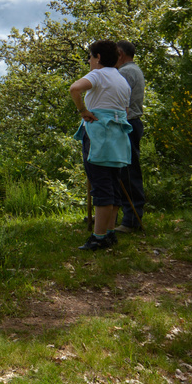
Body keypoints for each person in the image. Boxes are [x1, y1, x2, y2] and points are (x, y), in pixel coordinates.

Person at [69, 40, 132, 251]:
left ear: (98, 57)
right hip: (118, 137)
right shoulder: (122, 80)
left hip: (99, 134)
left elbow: (74, 88)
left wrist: (83, 111)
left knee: (101, 184)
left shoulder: (98, 74)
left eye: (90, 56)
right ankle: (110, 231)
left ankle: (98, 237)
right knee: (113, 183)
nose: (88, 60)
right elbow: (126, 110)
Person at [114, 40, 146, 233]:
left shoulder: (125, 73)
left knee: (127, 172)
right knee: (122, 171)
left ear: (119, 53)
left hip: (127, 125)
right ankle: (114, 214)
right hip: (131, 124)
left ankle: (132, 220)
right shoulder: (133, 70)